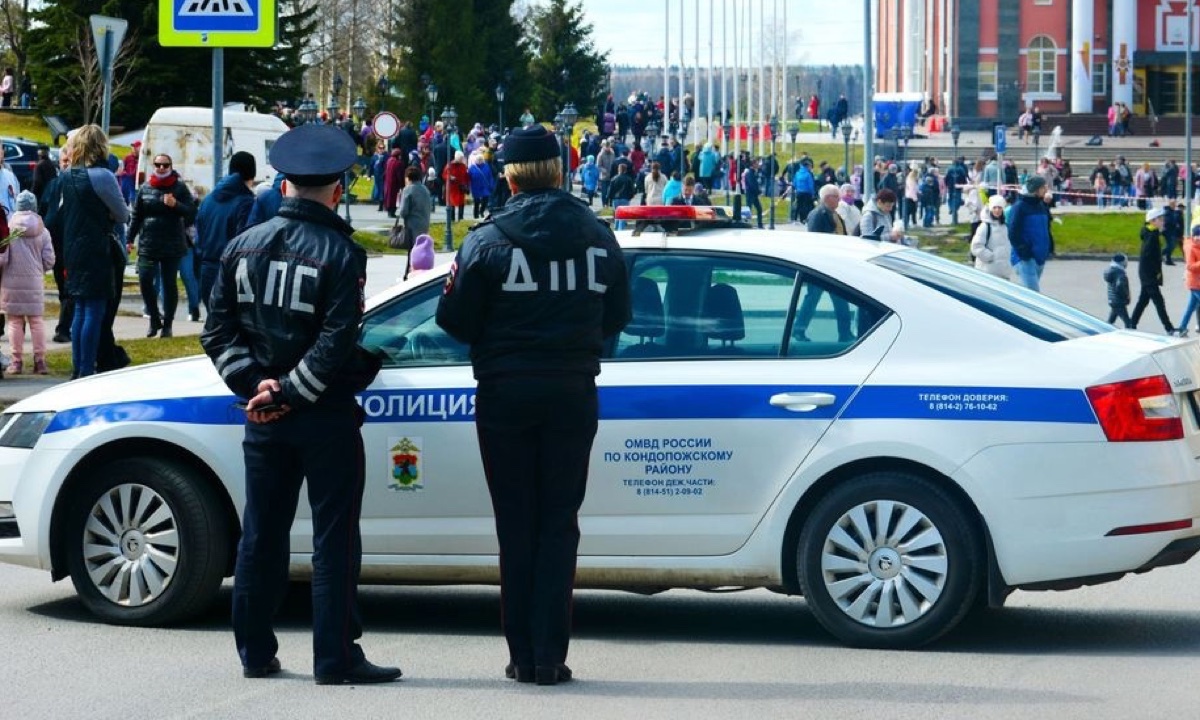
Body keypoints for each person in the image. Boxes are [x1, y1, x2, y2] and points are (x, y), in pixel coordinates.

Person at [199, 123, 400, 686]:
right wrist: (288, 393)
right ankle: (335, 659)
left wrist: (257, 391)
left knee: (262, 531)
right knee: (334, 537)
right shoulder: (341, 252)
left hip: (263, 418)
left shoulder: (242, 246)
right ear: (337, 189)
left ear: (283, 184)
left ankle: (254, 652)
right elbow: (336, 342)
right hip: (325, 416)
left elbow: (217, 333)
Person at [435, 124, 630, 687]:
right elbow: (616, 316)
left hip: (505, 395)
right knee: (558, 524)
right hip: (572, 392)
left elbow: (454, 320)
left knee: (515, 523)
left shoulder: (488, 239)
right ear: (561, 170)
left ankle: (522, 656)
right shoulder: (598, 236)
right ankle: (551, 656)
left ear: (511, 176)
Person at [44, 124, 129, 378]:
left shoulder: (66, 177)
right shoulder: (103, 177)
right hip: (96, 248)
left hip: (73, 247)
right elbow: (122, 214)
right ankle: (87, 369)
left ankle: (79, 367)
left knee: (80, 309)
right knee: (94, 310)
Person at [127, 153, 197, 337]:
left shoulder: (179, 187)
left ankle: (168, 325)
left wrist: (176, 205)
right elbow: (136, 215)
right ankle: (154, 318)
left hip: (171, 242)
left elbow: (191, 213)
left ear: (170, 167)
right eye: (158, 165)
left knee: (169, 283)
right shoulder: (146, 187)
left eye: (165, 165)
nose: (161, 168)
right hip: (148, 243)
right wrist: (129, 238)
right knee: (145, 279)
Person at [0, 191, 55, 374]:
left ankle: (16, 361)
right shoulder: (43, 230)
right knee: (37, 322)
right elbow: (49, 259)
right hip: (34, 282)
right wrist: (40, 269)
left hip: (11, 283)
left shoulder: (9, 227)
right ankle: (40, 361)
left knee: (15, 322)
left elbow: (3, 258)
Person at [195, 151, 257, 314]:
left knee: (213, 323)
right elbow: (244, 240)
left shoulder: (208, 200)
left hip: (207, 266)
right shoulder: (246, 202)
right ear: (251, 175)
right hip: (231, 270)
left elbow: (199, 234)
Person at [1130, 207, 1175, 333]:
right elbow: (1147, 255)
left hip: (1148, 273)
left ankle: (1131, 324)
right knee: (1159, 301)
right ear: (1153, 221)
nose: (1163, 221)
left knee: (1143, 300)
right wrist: (1155, 271)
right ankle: (1169, 328)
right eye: (1160, 219)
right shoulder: (1151, 235)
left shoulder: (1152, 232)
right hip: (1148, 274)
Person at [1006, 176, 1054, 292]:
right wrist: (1024, 251)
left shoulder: (1041, 206)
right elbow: (1013, 232)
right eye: (1043, 187)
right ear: (1035, 190)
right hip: (1025, 258)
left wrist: (1050, 245)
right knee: (1033, 294)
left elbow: (1046, 228)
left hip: (1040, 256)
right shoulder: (1019, 207)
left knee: (1028, 294)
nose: (1046, 190)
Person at [397, 165, 432, 281]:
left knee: (412, 252)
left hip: (412, 226)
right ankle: (415, 272)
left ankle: (409, 274)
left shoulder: (408, 190)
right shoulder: (425, 189)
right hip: (424, 224)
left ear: (408, 178)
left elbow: (403, 212)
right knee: (421, 250)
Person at [971, 196, 1013, 279]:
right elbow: (976, 246)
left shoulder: (1005, 226)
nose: (997, 210)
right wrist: (990, 257)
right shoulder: (985, 226)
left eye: (1000, 207)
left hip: (1003, 271)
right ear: (990, 209)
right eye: (995, 207)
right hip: (987, 271)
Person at [1174, 239, 1200, 336]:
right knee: (1191, 306)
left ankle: (1182, 327)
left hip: (1198, 283)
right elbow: (1190, 266)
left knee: (1191, 307)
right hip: (1194, 283)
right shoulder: (1191, 248)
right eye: (1198, 235)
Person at [468, 152, 494, 218]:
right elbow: (468, 178)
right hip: (475, 187)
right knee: (476, 202)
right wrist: (468, 186)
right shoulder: (472, 168)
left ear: (483, 160)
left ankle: (481, 211)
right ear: (475, 160)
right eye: (478, 160)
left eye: (480, 159)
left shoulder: (487, 166)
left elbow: (490, 176)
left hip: (485, 186)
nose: (479, 161)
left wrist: (491, 185)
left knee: (485, 200)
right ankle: (475, 215)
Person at [742, 159, 763, 228]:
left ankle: (759, 224)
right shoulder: (750, 173)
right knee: (749, 209)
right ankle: (747, 223)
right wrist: (758, 191)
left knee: (758, 209)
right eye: (756, 163)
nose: (758, 165)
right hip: (751, 194)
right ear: (753, 165)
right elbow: (752, 184)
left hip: (753, 194)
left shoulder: (753, 172)